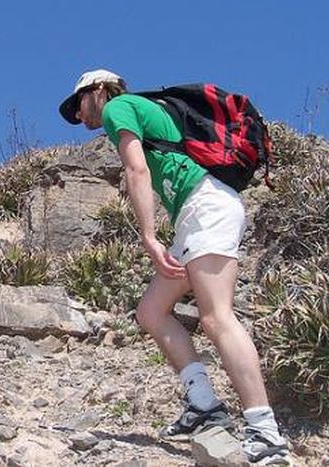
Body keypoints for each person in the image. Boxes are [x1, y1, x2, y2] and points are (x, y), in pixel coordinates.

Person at [59, 70, 289, 464]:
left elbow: (137, 170)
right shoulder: (144, 108)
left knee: (216, 317)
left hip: (207, 207)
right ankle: (203, 404)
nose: (79, 116)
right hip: (195, 214)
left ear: (98, 90)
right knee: (150, 312)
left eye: (77, 103)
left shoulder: (118, 107)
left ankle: (264, 431)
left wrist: (149, 237)